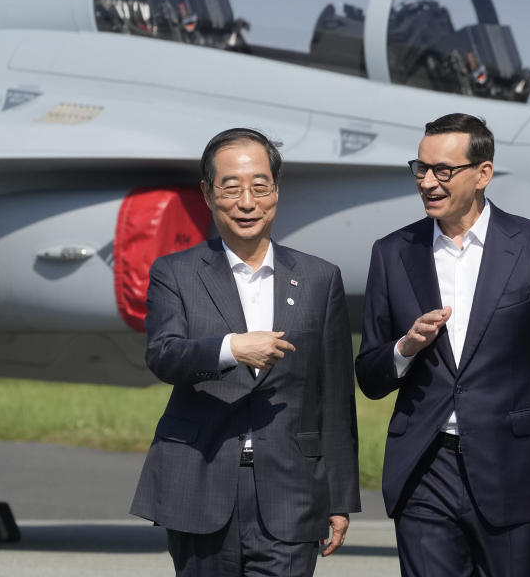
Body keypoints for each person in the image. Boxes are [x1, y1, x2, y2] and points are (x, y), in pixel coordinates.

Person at [355, 113, 530, 576]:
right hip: (425, 472)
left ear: (483, 173)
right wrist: (404, 348)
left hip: (514, 471)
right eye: (420, 169)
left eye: (443, 170)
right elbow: (368, 374)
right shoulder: (391, 252)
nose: (428, 181)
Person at [131, 128, 360, 576]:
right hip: (200, 482)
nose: (247, 202)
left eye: (260, 186)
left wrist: (339, 498)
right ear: (208, 193)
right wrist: (231, 348)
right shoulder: (175, 273)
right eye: (231, 188)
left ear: (277, 189)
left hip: (290, 488)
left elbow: (333, 397)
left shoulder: (319, 278)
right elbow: (163, 355)